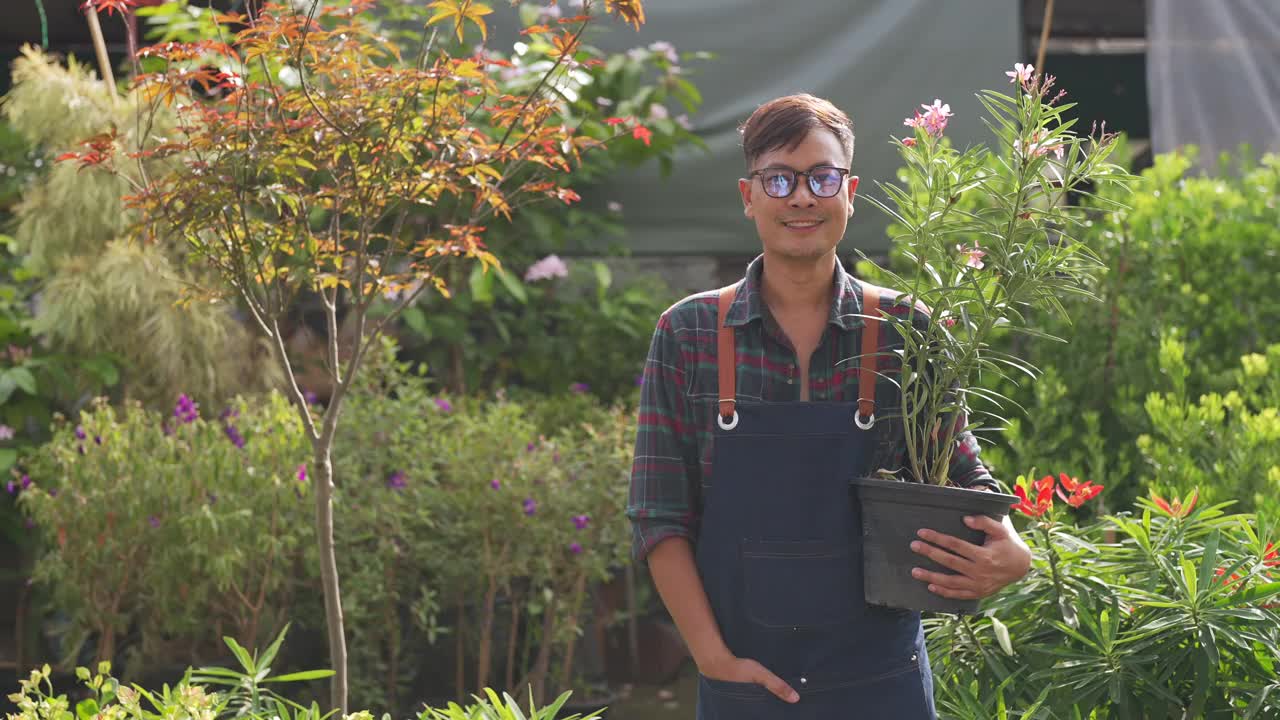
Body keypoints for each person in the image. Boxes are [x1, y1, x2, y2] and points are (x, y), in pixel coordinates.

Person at [625, 94, 1032, 719]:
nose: (801, 197)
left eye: (822, 177)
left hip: (883, 682)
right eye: (779, 179)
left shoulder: (906, 329)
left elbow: (962, 472)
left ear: (849, 190)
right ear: (748, 195)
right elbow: (659, 513)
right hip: (744, 682)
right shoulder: (691, 333)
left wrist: (1012, 549)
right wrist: (710, 658)